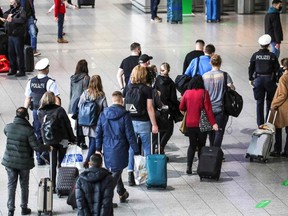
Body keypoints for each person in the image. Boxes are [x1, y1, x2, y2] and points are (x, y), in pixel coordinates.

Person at [2, 107, 52, 216]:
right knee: (24, 185)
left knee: (11, 185)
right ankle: (24, 208)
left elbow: (6, 132)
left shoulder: (8, 127)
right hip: (23, 163)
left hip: (9, 161)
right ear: (26, 116)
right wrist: (48, 147)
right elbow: (37, 147)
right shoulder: (28, 131)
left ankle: (11, 210)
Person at [95, 91, 140, 204]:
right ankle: (106, 198)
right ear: (122, 100)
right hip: (120, 147)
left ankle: (121, 192)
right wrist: (136, 149)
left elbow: (98, 132)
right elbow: (130, 134)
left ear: (112, 100)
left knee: (115, 170)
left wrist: (98, 148)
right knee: (116, 172)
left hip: (107, 147)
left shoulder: (103, 114)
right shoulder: (125, 115)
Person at [124, 65, 158, 186]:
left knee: (132, 149)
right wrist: (154, 124)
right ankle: (146, 175)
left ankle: (130, 173)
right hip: (143, 122)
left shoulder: (127, 88)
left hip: (130, 122)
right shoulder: (147, 89)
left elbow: (125, 107)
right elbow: (150, 108)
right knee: (147, 148)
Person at [24, 58, 61, 165]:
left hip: (36, 111)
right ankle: (48, 156)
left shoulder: (31, 82)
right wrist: (58, 112)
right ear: (46, 69)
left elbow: (28, 98)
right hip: (48, 112)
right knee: (49, 132)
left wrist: (25, 112)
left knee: (38, 133)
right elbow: (57, 98)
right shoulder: (50, 82)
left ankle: (39, 158)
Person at [179, 75, 218, 175]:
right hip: (202, 124)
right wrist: (214, 123)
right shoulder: (204, 93)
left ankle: (189, 167)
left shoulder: (187, 93)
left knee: (192, 145)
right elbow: (208, 110)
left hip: (190, 123)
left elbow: (181, 107)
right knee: (201, 145)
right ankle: (201, 167)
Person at [38, 91, 76, 191]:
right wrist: (72, 138)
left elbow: (40, 127)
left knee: (52, 163)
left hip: (49, 141)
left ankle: (53, 185)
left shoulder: (41, 112)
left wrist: (44, 141)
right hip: (62, 140)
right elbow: (68, 125)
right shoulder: (59, 110)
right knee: (62, 162)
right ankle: (62, 184)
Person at [202, 54, 235, 149]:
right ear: (220, 63)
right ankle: (216, 150)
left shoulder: (205, 76)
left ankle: (212, 149)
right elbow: (231, 87)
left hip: (208, 108)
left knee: (211, 131)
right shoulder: (224, 75)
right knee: (219, 131)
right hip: (221, 108)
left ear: (210, 63)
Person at [248, 34, 279, 127]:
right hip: (269, 80)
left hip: (258, 80)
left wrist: (251, 79)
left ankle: (260, 124)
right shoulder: (272, 56)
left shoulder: (255, 55)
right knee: (270, 102)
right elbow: (276, 69)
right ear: (269, 44)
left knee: (259, 102)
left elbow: (251, 68)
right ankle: (269, 122)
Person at [79, 75, 108, 164]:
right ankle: (88, 160)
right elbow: (105, 109)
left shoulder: (85, 93)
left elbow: (79, 105)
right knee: (94, 140)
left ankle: (90, 159)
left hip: (85, 122)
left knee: (92, 140)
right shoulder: (101, 95)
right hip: (96, 122)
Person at [153, 62, 179, 154]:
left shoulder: (157, 80)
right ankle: (161, 146)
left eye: (162, 70)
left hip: (157, 110)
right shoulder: (171, 83)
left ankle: (157, 147)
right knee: (169, 130)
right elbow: (173, 99)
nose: (161, 71)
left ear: (167, 70)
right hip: (168, 111)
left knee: (159, 130)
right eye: (160, 70)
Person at [68, 59, 90, 149]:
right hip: (81, 102)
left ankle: (78, 140)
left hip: (73, 101)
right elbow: (86, 91)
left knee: (76, 122)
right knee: (82, 122)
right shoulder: (86, 78)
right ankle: (82, 141)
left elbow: (71, 92)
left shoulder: (73, 78)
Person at [3, 0, 27, 77]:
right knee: (11, 53)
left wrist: (12, 19)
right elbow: (4, 14)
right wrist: (9, 16)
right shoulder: (11, 10)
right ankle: (13, 69)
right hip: (10, 35)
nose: (10, 3)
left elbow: (22, 20)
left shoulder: (22, 10)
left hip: (18, 35)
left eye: (12, 1)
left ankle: (21, 70)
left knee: (19, 53)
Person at [271, 58, 288, 157]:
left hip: (284, 107)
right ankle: (287, 151)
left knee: (278, 128)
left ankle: (277, 149)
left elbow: (283, 94)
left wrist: (274, 104)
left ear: (284, 66)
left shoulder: (284, 78)